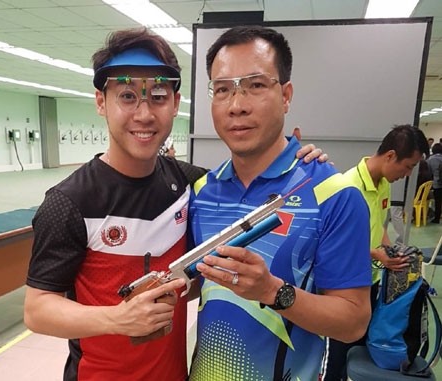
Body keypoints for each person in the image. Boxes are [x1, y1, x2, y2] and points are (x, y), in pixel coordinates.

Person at [23, 27, 326, 381]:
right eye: (127, 96)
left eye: (157, 96)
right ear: (101, 102)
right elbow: (37, 310)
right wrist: (117, 319)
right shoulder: (69, 202)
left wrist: (297, 158)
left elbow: (251, 179)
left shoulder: (191, 184)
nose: (144, 114)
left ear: (175, 104)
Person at [187, 25, 372, 381]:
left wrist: (272, 291)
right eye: (223, 90)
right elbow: (201, 283)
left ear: (285, 95)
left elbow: (353, 322)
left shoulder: (334, 194)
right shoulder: (201, 190)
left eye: (255, 85)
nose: (237, 106)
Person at [323, 124, 430, 380]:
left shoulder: (382, 183)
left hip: (370, 281)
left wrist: (388, 249)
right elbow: (336, 243)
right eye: (408, 166)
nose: (407, 174)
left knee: (360, 346)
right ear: (391, 155)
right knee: (337, 352)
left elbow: (379, 225)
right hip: (343, 288)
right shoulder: (347, 187)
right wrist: (378, 255)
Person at [427, 142, 442, 223]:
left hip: (437, 184)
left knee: (437, 202)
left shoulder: (430, 159)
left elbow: (428, 172)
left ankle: (436, 218)